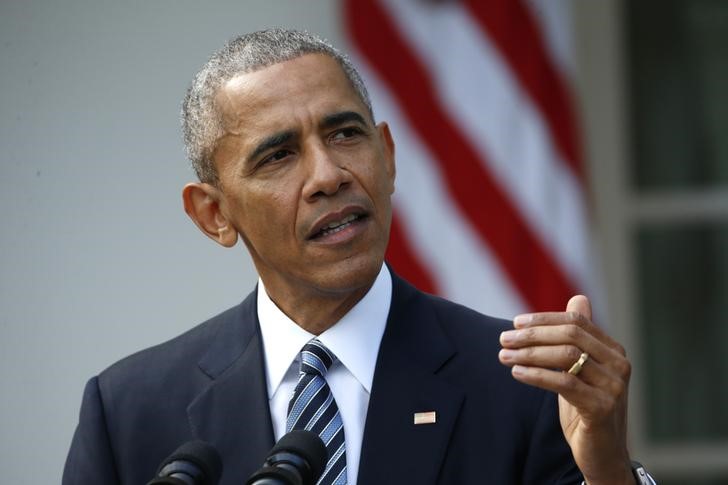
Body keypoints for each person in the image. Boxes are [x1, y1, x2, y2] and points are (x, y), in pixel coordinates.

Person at [63, 28, 653, 484]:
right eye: (278, 156)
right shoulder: (129, 412)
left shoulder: (526, 386)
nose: (328, 175)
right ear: (214, 214)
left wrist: (608, 473)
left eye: (346, 134)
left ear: (388, 157)